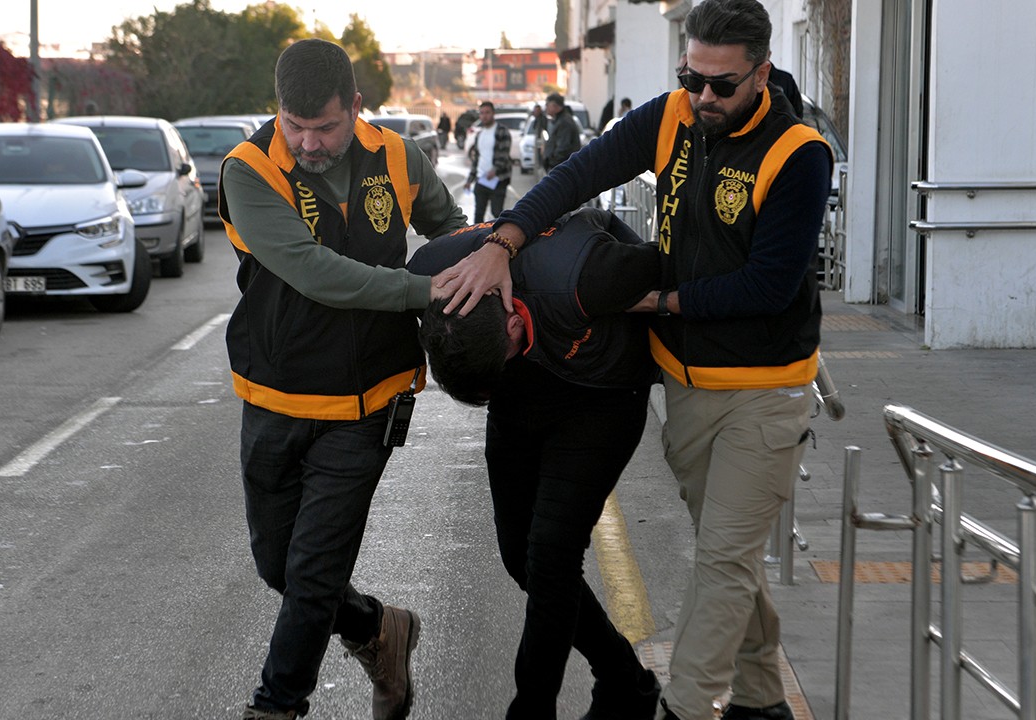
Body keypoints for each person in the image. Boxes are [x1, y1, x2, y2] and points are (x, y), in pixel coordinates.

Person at [430, 1, 833, 718]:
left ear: (762, 74)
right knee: (730, 556)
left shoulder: (799, 154)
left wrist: (661, 303)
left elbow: (772, 286)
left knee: (720, 563)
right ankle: (763, 701)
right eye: (693, 76)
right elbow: (576, 175)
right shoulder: (673, 115)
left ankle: (682, 705)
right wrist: (504, 241)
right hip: (685, 384)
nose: (704, 96)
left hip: (763, 390)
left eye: (723, 85)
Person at [218, 38, 467, 720]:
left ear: (356, 107)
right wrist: (425, 291)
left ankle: (276, 706)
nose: (307, 141)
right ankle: (376, 630)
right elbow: (315, 272)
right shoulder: (248, 171)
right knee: (279, 566)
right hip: (272, 397)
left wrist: (482, 262)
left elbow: (451, 232)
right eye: (294, 126)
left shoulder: (398, 156)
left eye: (324, 127)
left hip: (369, 401)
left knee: (312, 572)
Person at [407, 208, 663, 719]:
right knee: (517, 554)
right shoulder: (429, 273)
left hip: (600, 394)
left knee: (551, 556)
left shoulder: (587, 274)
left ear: (512, 315)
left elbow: (673, 264)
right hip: (522, 393)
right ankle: (624, 680)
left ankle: (532, 708)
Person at [463, 101, 513, 223]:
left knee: (497, 213)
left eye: (487, 113)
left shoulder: (502, 131)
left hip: (498, 179)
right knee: (478, 214)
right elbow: (477, 159)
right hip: (481, 179)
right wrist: (470, 180)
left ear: (493, 114)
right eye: (482, 113)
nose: (484, 116)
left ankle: (498, 240)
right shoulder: (479, 135)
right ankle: (478, 241)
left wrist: (494, 170)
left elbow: (504, 155)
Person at [541, 93, 581, 171]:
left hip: (562, 168)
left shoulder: (564, 122)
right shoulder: (560, 120)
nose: (546, 108)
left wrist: (552, 163)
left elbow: (563, 148)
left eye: (547, 105)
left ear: (555, 106)